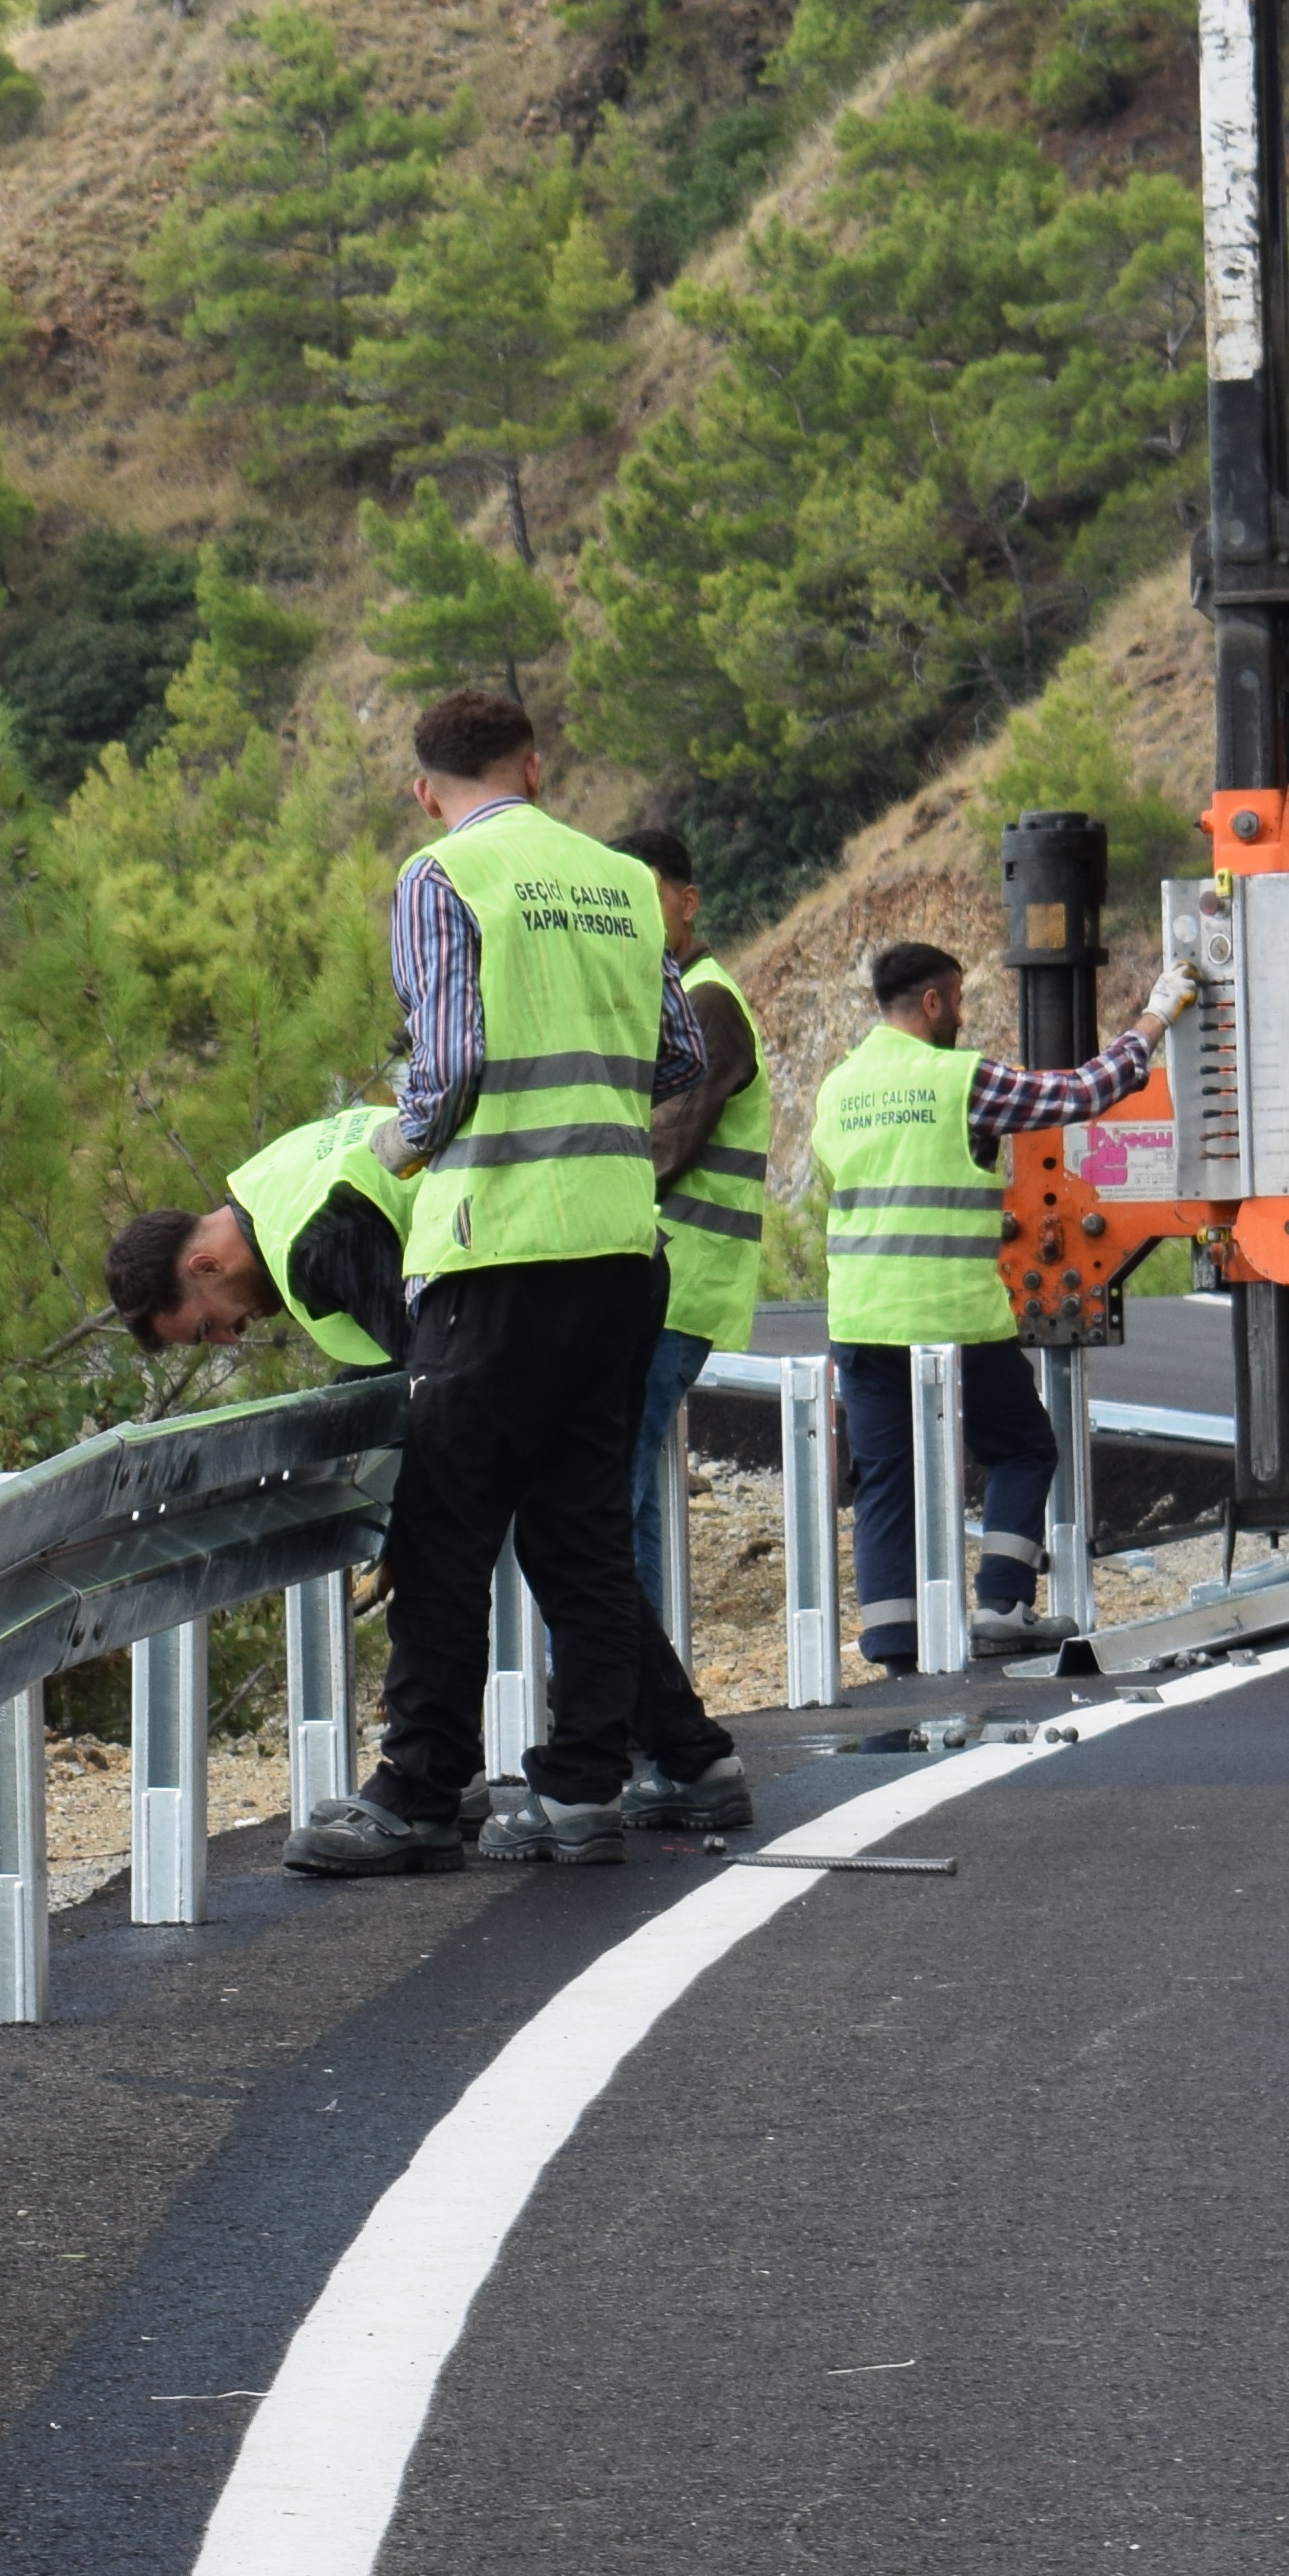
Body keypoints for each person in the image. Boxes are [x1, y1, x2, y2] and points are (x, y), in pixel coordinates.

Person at [284, 688, 756, 1876]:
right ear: (536, 768)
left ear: (422, 788)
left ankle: (417, 1792)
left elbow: (446, 1067)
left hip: (494, 1247)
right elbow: (680, 1053)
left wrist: (390, 1147)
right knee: (582, 1529)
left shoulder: (442, 878)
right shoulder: (613, 879)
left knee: (446, 1526)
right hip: (618, 1251)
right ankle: (582, 1790)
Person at [814, 936, 1175, 1676]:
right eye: (960, 999)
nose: (963, 1015)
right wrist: (1154, 1020)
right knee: (1023, 1448)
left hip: (859, 1316)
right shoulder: (961, 1081)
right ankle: (1001, 1607)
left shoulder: (839, 1087)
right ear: (934, 1001)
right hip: (948, 1316)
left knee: (883, 1476)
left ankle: (893, 1647)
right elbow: (1078, 1095)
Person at [626, 828, 770, 1628]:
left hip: (675, 1281)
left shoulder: (705, 999)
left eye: (653, 904)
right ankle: (642, 1689)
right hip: (667, 1281)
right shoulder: (671, 995)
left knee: (609, 1494)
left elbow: (666, 1145)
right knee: (631, 1489)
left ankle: (612, 1686)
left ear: (688, 901)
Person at [105, 1104, 415, 1369]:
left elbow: (441, 1368)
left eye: (208, 1326)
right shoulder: (273, 1174)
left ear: (206, 1266)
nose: (232, 1337)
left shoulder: (311, 1241)